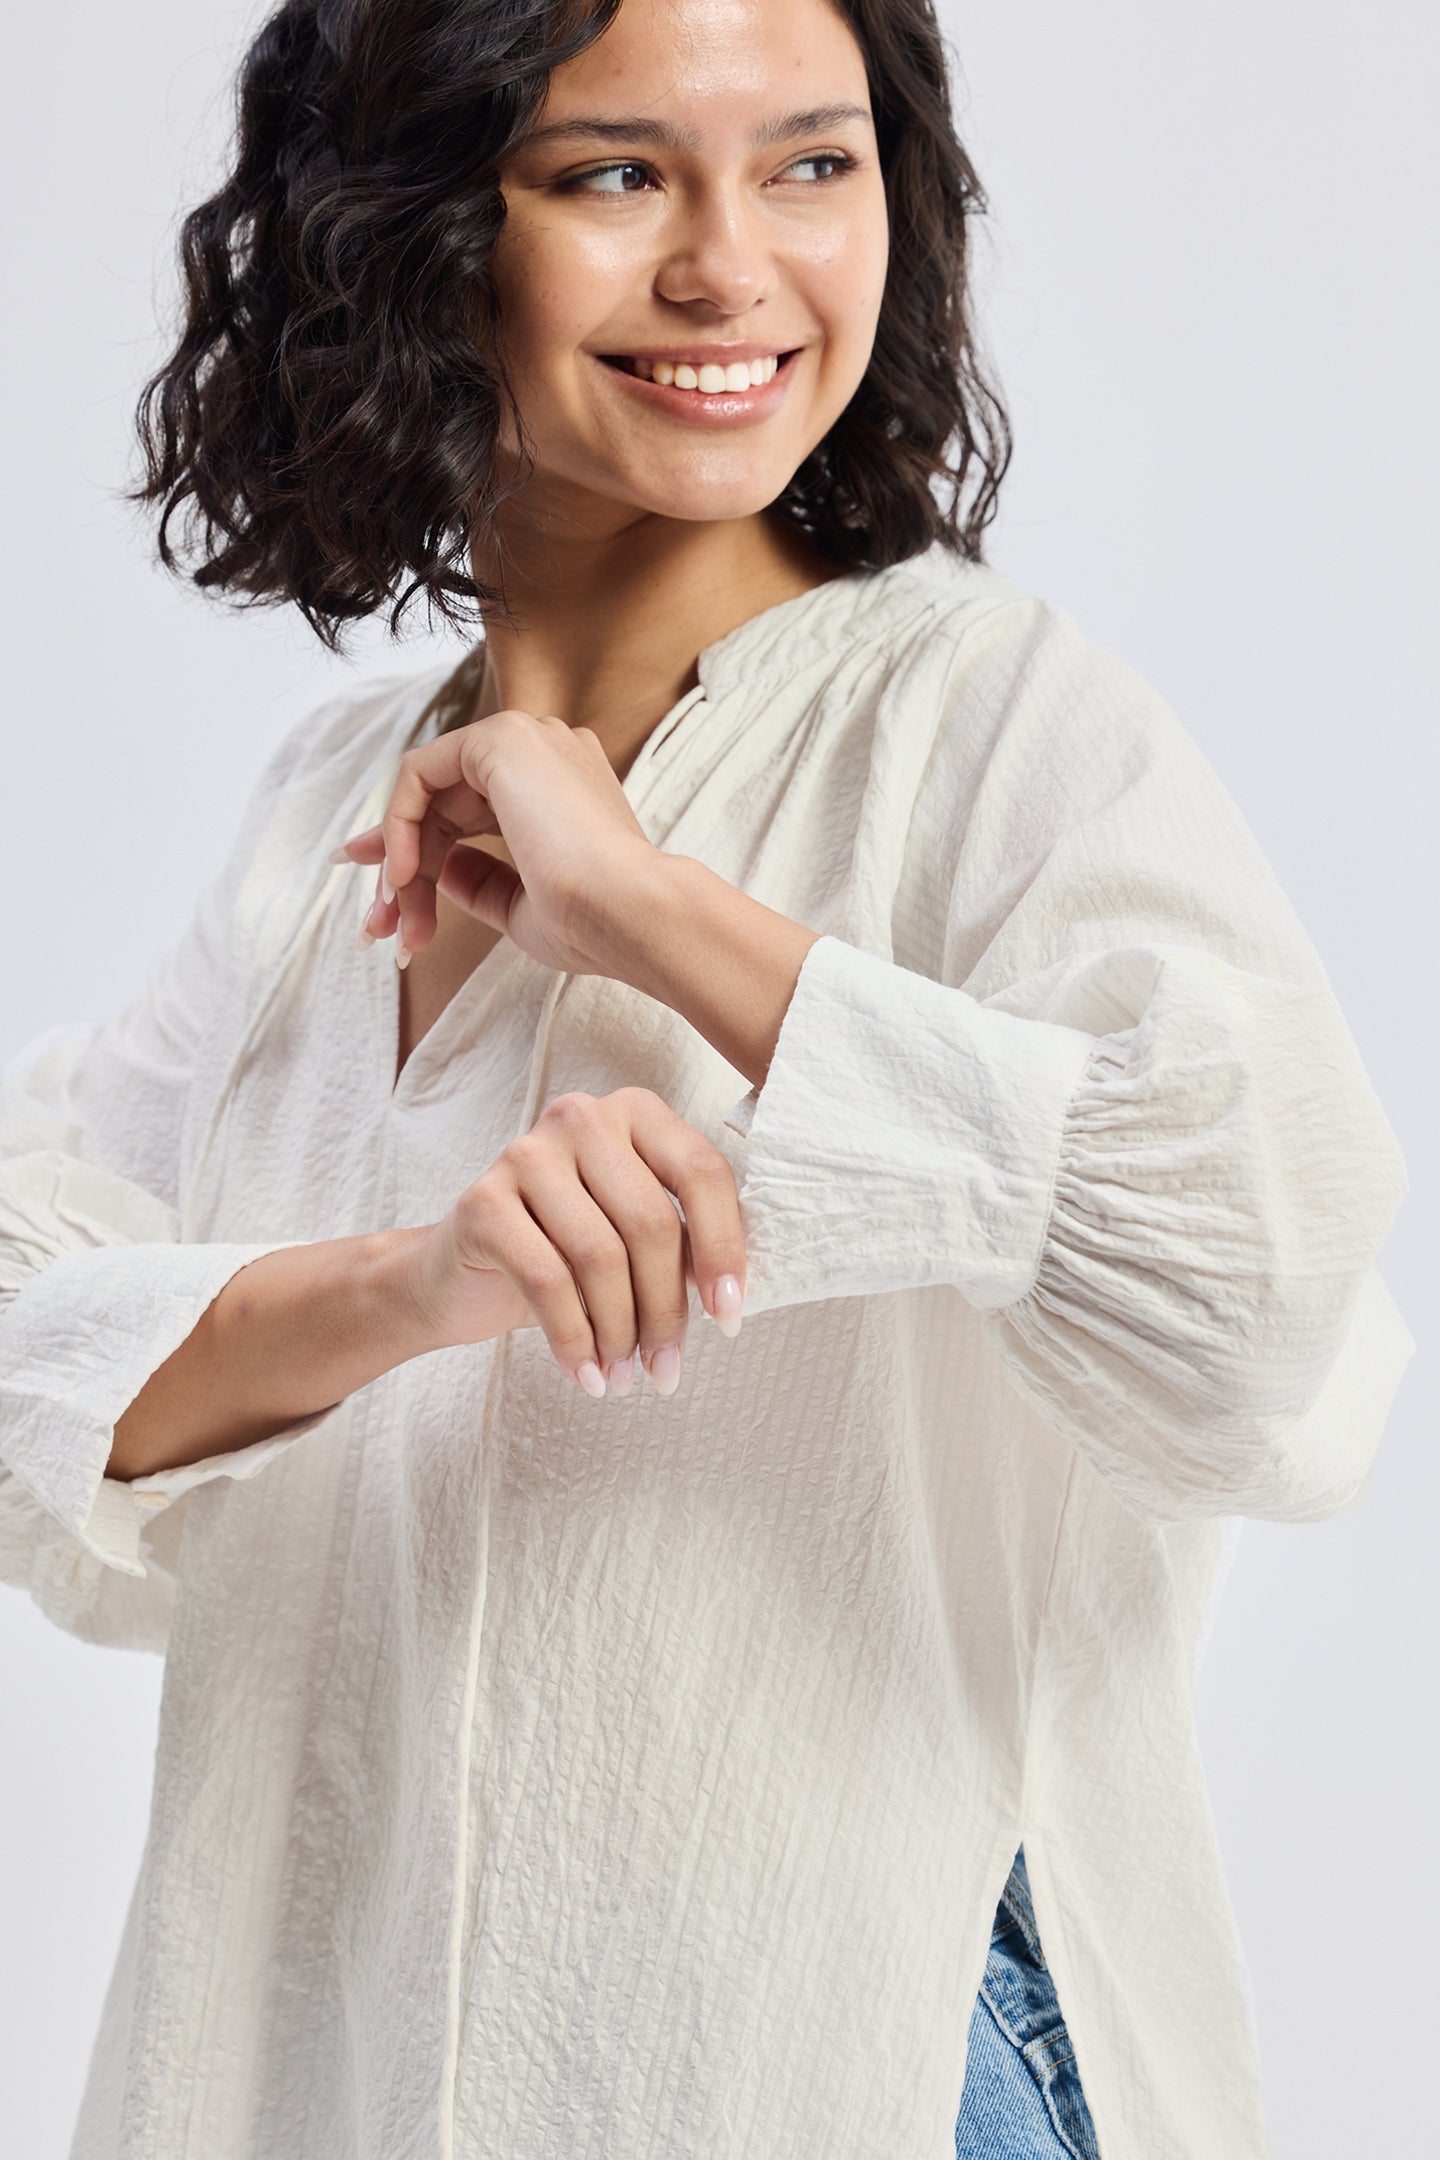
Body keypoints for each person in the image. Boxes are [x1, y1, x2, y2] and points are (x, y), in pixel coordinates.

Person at [0, 0, 1412, 2154]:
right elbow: (31, 1345)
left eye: (815, 164)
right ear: (414, 227)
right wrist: (419, 1286)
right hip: (350, 2072)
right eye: (615, 173)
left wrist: (662, 918)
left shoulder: (996, 726)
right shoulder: (324, 825)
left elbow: (1279, 1323)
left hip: (844, 2058)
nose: (733, 268)